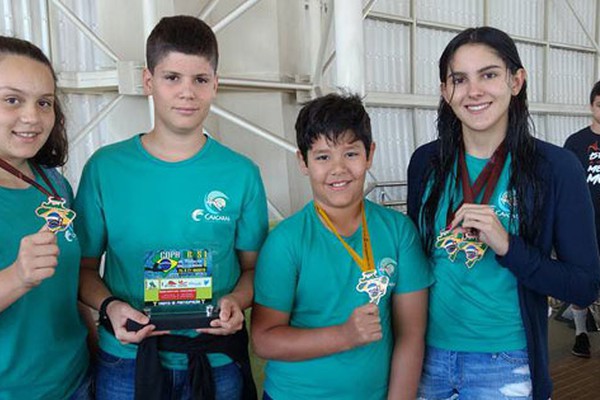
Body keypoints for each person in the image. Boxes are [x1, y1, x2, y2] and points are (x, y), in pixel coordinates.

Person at [75, 16, 268, 399]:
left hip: (216, 363)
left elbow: (253, 269)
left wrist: (236, 302)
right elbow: (82, 269)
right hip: (127, 363)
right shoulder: (105, 168)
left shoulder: (241, 174)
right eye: (172, 78)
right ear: (149, 82)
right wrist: (110, 306)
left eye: (200, 79)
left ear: (216, 84)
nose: (187, 93)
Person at [407, 26, 600, 400]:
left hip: (504, 362)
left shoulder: (555, 167)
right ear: (445, 92)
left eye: (489, 75)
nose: (474, 91)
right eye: (459, 79)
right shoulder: (426, 163)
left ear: (516, 81)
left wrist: (509, 247)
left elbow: (584, 284)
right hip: (426, 358)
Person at [252, 93, 433, 400]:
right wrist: (344, 336)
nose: (338, 169)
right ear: (303, 162)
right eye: (323, 156)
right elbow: (264, 340)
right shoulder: (286, 242)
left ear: (369, 154)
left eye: (350, 153)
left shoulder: (399, 232)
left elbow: (411, 335)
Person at [0, 36, 92, 399]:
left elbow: (66, 287)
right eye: (12, 100)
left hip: (76, 381)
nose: (32, 117)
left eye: (44, 103)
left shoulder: (54, 184)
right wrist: (16, 277)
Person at [563, 80, 600, 358]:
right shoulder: (575, 143)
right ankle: (581, 334)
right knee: (581, 281)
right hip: (583, 227)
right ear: (592, 106)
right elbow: (564, 186)